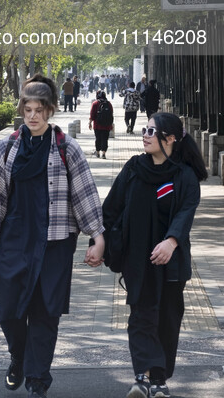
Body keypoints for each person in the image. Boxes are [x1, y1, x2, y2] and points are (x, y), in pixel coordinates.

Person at [0, 75, 104, 397]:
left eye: (39, 110)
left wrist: (98, 237)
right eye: (27, 109)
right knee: (6, 309)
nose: (32, 116)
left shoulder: (66, 148)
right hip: (13, 240)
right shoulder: (7, 148)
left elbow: (84, 195)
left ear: (50, 110)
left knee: (46, 312)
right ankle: (19, 356)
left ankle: (37, 380)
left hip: (55, 243)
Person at [102, 113, 208, 398]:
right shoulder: (134, 168)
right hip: (137, 259)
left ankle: (159, 380)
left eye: (152, 131)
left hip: (171, 262)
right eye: (145, 130)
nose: (145, 135)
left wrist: (171, 242)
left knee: (167, 320)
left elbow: (186, 211)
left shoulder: (184, 176)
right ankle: (141, 378)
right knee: (140, 318)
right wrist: (97, 240)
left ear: (170, 138)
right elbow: (111, 208)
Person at [89, 90, 113, 158]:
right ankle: (104, 153)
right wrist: (111, 124)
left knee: (98, 138)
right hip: (107, 125)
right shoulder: (109, 104)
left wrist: (90, 123)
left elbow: (92, 114)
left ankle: (97, 152)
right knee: (105, 139)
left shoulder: (95, 103)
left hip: (97, 125)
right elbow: (111, 114)